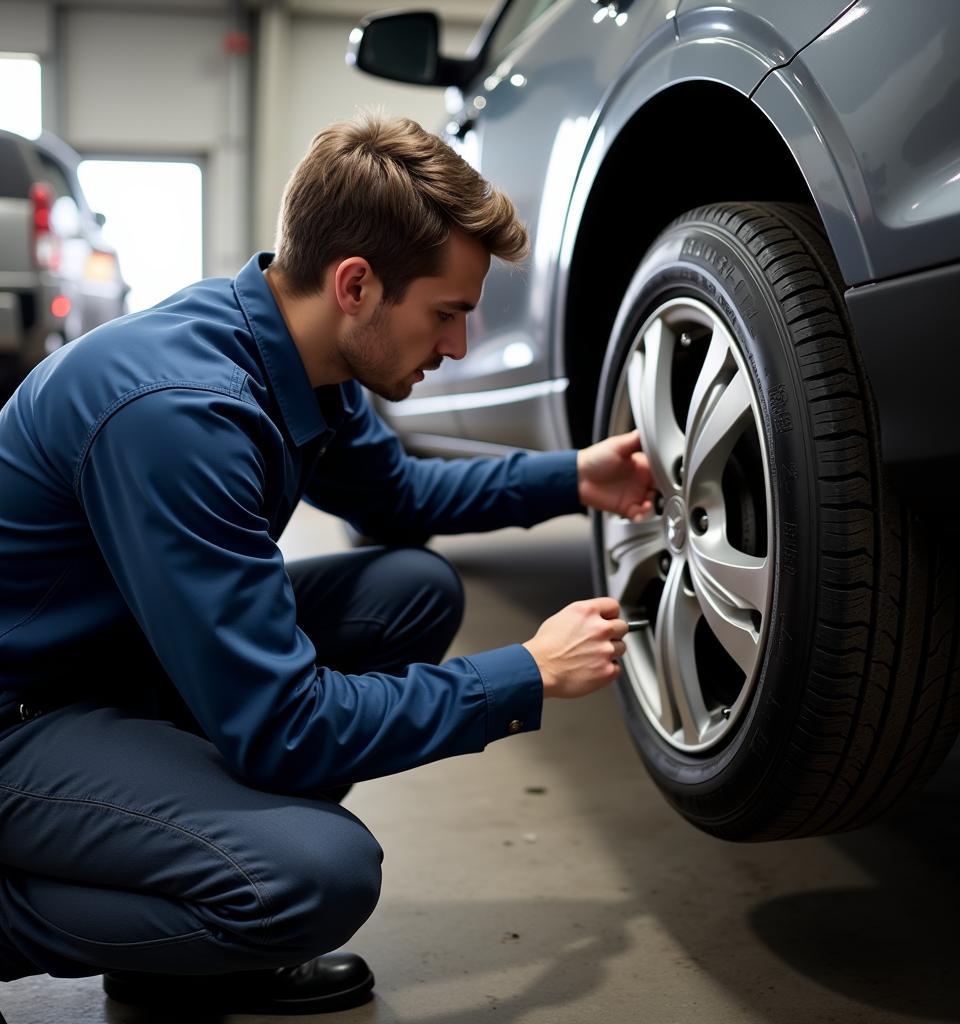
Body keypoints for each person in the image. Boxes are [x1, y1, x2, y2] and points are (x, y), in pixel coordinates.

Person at [0, 115, 653, 1015]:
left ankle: (170, 937)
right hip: (22, 719)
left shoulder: (303, 356)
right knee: (316, 876)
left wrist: (576, 477)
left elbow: (401, 501)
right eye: (448, 314)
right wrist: (525, 676)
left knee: (405, 592)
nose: (458, 346)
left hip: (115, 665)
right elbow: (284, 730)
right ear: (356, 284)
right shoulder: (182, 414)